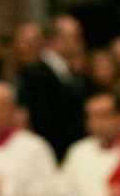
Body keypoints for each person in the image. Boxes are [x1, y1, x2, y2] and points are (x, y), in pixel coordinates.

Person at [17, 15, 87, 160]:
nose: (80, 43)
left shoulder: (71, 73)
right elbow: (40, 119)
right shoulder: (35, 73)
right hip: (51, 154)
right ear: (56, 40)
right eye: (74, 37)